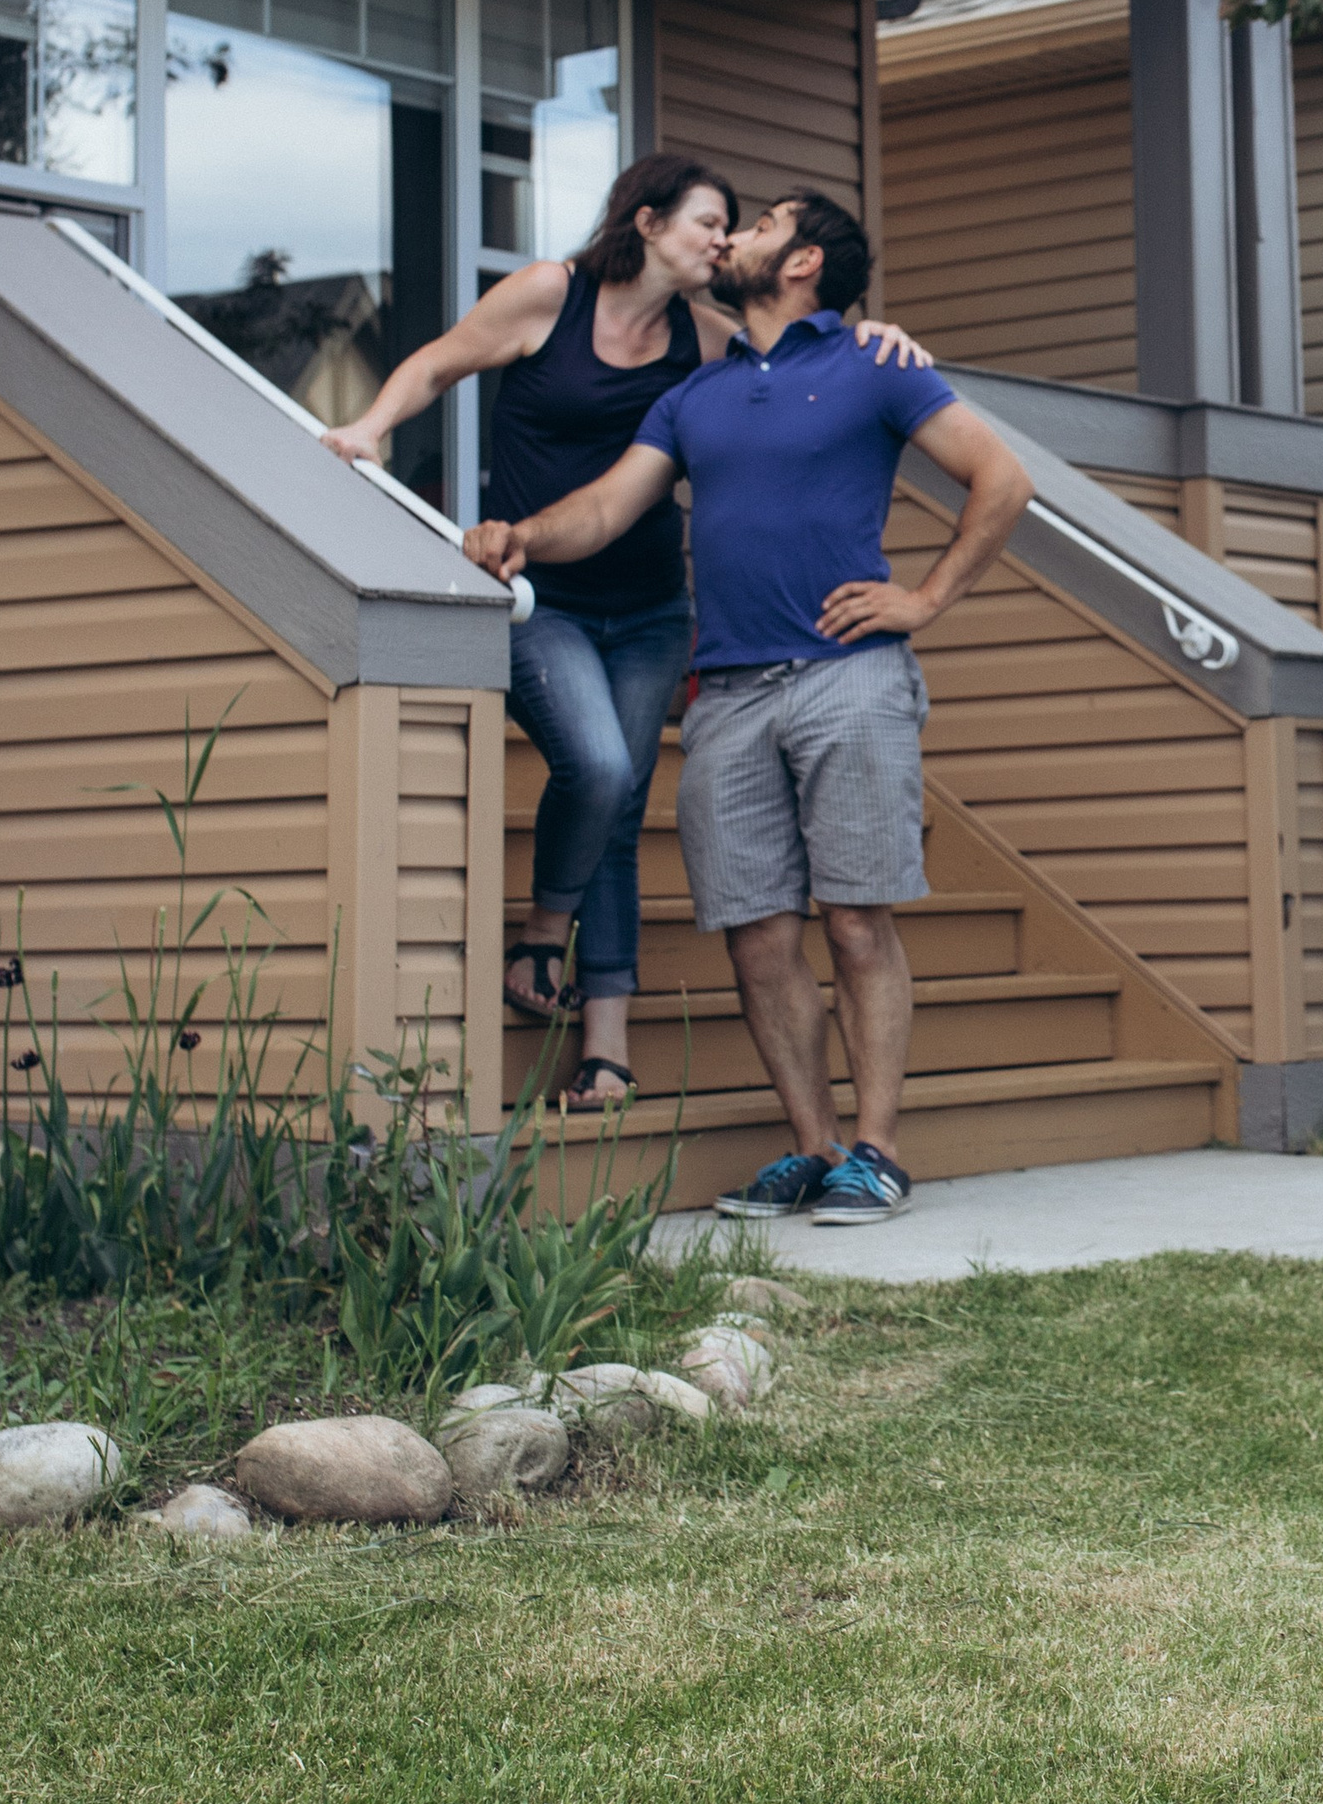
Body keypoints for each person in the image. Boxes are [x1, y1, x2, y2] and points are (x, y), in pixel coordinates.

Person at [462, 188, 1033, 1224]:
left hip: (847, 677)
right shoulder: (694, 395)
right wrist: (520, 536)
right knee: (758, 937)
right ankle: (811, 1148)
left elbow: (1001, 478)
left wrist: (926, 598)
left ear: (806, 260)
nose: (736, 236)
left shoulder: (872, 364)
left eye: (762, 223)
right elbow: (604, 508)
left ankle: (877, 1149)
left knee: (857, 920)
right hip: (724, 691)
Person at [318, 155, 933, 1111]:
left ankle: (606, 1046)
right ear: (645, 222)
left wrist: (877, 332)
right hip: (539, 591)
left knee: (622, 795)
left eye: (741, 225)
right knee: (599, 767)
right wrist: (369, 427)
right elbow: (440, 359)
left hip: (652, 604)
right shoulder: (549, 296)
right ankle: (541, 931)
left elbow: (806, 341)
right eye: (707, 222)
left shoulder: (706, 335)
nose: (723, 238)